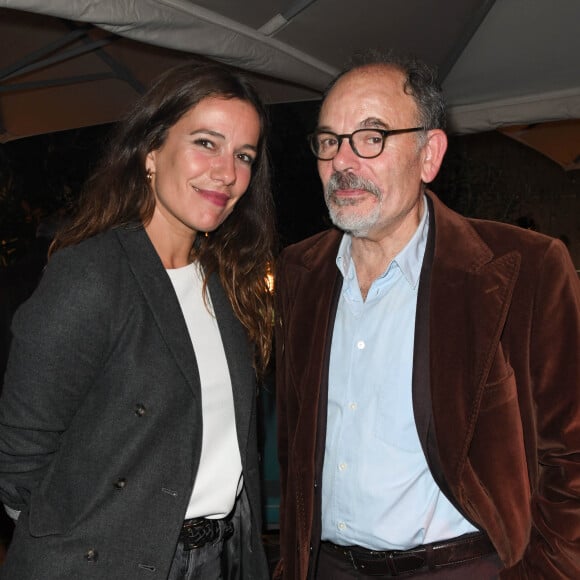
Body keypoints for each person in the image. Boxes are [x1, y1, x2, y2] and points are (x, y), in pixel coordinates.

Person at [274, 50, 580, 579]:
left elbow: (571, 456)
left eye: (371, 138)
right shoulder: (299, 272)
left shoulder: (524, 268)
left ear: (428, 154)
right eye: (329, 141)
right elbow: (292, 444)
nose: (343, 162)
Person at [0, 62, 275, 580]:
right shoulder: (92, 275)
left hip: (224, 558)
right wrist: (88, 548)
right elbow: (18, 462)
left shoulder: (229, 282)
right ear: (152, 152)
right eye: (206, 143)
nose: (226, 172)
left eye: (244, 156)